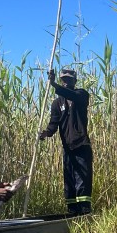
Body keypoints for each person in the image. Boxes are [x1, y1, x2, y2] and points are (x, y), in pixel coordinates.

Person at [38, 67, 93, 215]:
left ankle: (84, 210)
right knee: (69, 179)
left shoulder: (81, 95)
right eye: (63, 80)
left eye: (69, 79)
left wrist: (53, 84)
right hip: (67, 147)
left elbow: (72, 95)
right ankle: (72, 210)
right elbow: (53, 124)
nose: (66, 82)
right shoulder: (57, 103)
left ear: (75, 81)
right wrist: (46, 133)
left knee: (82, 178)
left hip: (81, 145)